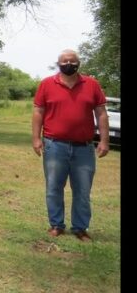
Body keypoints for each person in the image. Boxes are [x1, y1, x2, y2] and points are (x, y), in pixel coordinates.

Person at [32, 49, 109, 242]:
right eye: (65, 61)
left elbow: (101, 113)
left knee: (83, 190)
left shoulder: (92, 84)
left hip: (84, 148)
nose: (69, 64)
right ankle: (56, 225)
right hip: (54, 146)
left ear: (78, 64)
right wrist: (36, 139)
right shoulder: (47, 84)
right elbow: (38, 112)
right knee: (53, 188)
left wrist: (104, 140)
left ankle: (80, 228)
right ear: (58, 64)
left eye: (72, 61)